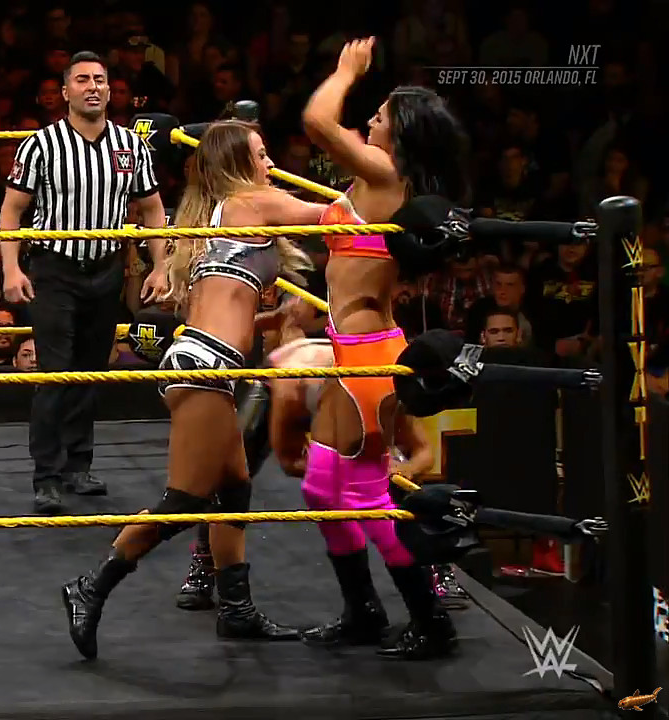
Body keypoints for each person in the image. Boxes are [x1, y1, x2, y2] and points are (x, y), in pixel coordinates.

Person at [60, 120, 324, 660]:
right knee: (184, 499)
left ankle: (237, 610)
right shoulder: (250, 203)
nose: (270, 164)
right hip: (204, 366)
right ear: (239, 164)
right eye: (262, 154)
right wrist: (386, 186)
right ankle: (91, 586)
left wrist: (278, 319)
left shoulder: (221, 218)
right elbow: (337, 217)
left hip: (209, 361)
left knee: (234, 491)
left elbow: (229, 315)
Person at [300, 37, 470, 660]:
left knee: (365, 494)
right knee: (322, 487)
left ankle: (430, 618)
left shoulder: (386, 174)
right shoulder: (375, 176)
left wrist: (345, 71)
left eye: (380, 115)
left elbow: (318, 121)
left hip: (370, 355)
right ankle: (363, 611)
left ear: (400, 134)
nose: (369, 120)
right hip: (348, 346)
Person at [176, 325, 468, 612]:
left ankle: (438, 565)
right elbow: (290, 461)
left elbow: (422, 453)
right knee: (231, 474)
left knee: (396, 479)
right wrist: (343, 472)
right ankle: (204, 562)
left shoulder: (387, 390)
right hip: (291, 379)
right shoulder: (291, 387)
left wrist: (406, 470)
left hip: (346, 388)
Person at [0, 50, 169, 514]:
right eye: (82, 80)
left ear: (109, 90)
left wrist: (160, 265)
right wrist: (11, 268)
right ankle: (47, 475)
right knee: (56, 373)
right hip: (54, 269)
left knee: (91, 371)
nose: (92, 86)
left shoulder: (131, 145)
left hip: (107, 268)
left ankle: (78, 465)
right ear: (65, 91)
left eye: (99, 79)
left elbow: (153, 208)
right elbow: (12, 210)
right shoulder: (40, 145)